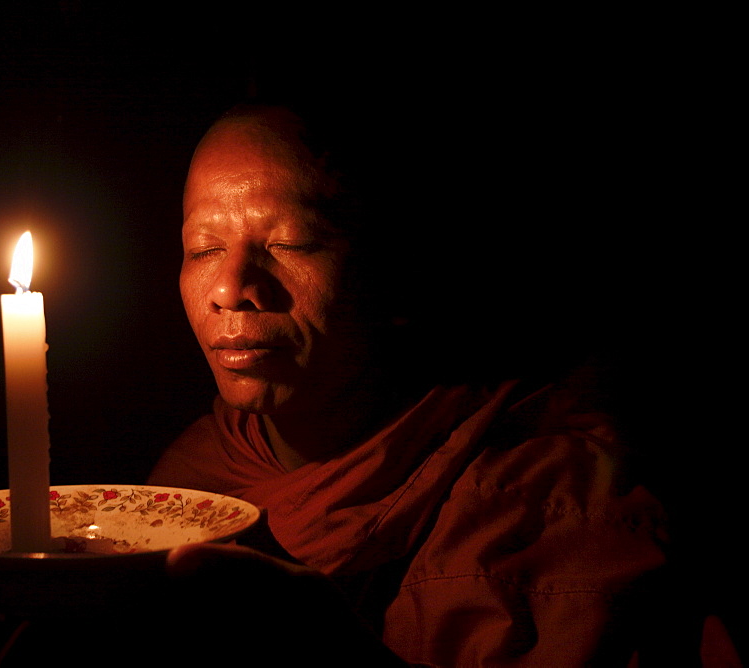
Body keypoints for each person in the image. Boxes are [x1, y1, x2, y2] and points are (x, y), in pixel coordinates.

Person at [141, 101, 682, 666]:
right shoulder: (188, 486)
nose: (230, 288)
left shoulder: (543, 500)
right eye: (203, 248)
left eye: (291, 244)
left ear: (386, 272)